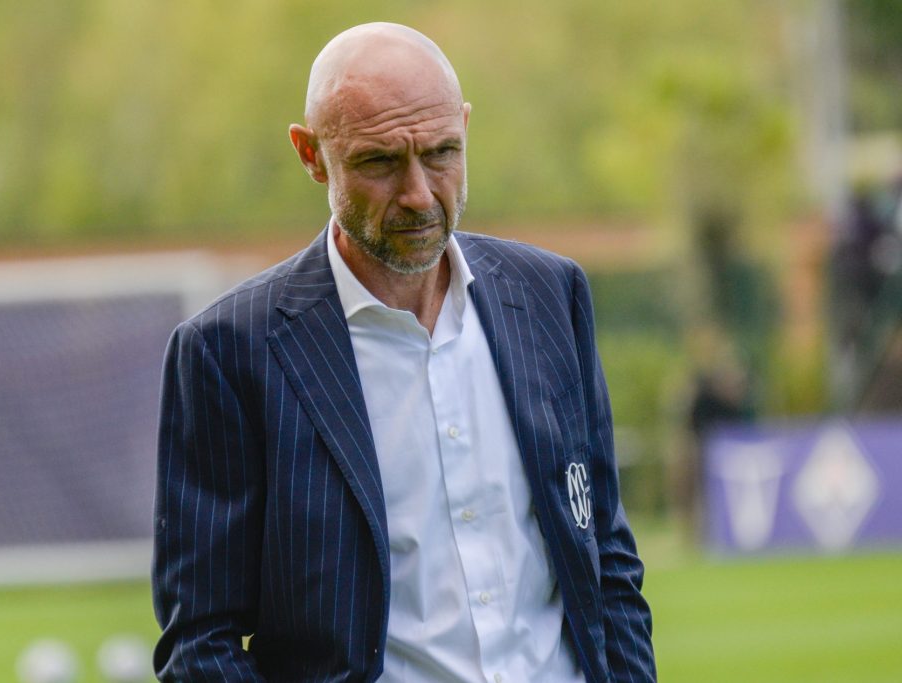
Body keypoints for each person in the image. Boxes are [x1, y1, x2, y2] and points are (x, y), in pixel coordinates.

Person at [152, 22, 655, 683]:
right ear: (311, 155)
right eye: (380, 162)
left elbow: (606, 560)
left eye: (442, 152)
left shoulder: (549, 296)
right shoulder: (228, 353)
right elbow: (201, 642)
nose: (419, 194)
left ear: (465, 127)